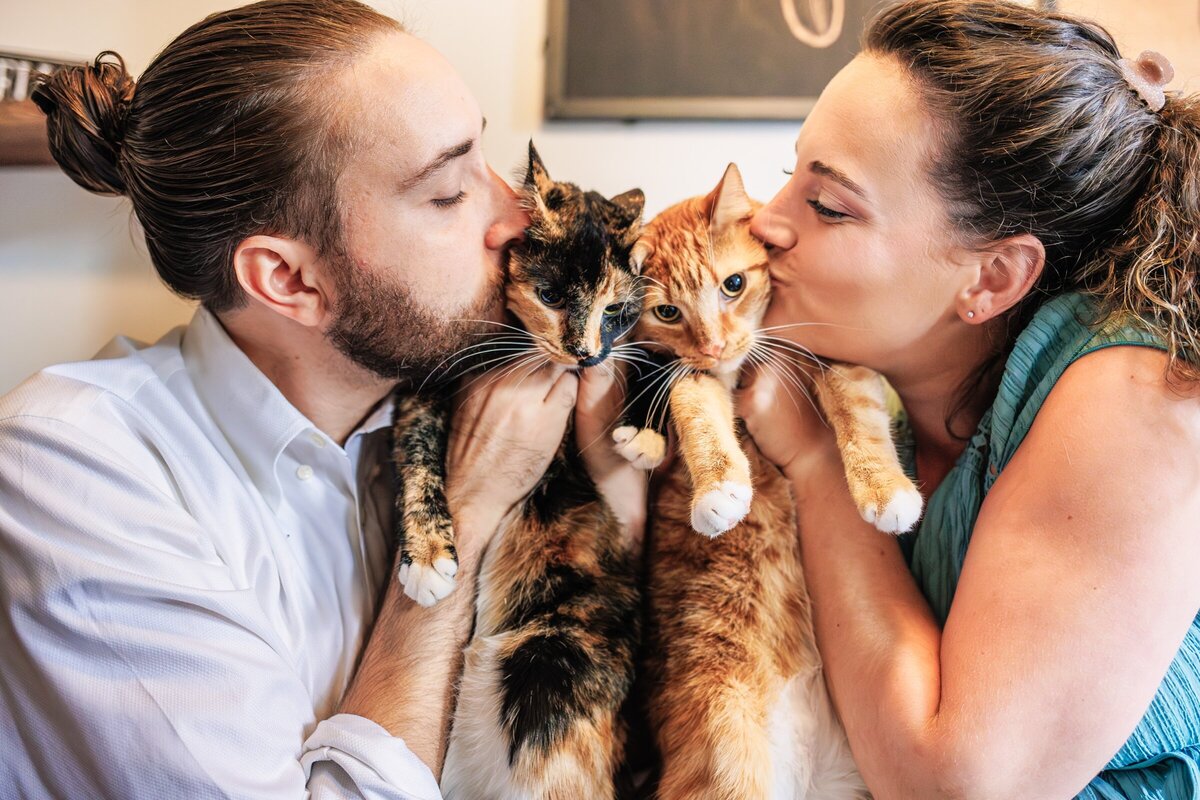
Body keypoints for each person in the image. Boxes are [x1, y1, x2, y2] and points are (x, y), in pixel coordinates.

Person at [0, 1, 644, 797]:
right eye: (448, 193)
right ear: (290, 280)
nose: (517, 218)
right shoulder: (72, 468)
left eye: (489, 162)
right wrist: (465, 516)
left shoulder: (468, 398)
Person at [740, 0, 1200, 797]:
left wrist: (816, 462)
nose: (762, 222)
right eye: (790, 176)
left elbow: (957, 785)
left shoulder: (1139, 393)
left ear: (990, 278)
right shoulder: (877, 394)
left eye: (827, 205)